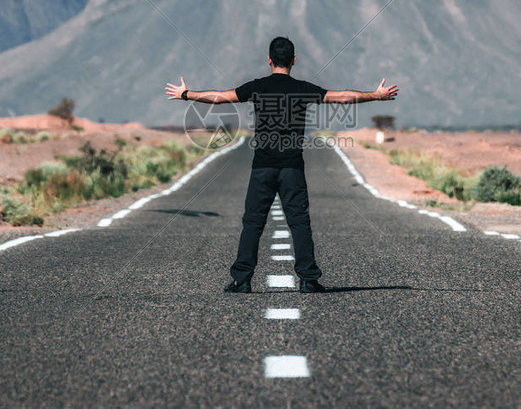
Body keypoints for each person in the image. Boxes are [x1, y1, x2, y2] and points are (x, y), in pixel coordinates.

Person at [166, 36, 398, 293]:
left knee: (253, 222)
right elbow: (342, 97)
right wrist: (376, 95)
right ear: (294, 61)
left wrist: (186, 94)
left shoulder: (258, 86)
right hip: (292, 168)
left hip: (262, 167)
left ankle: (241, 281)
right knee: (299, 222)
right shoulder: (302, 88)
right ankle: (309, 280)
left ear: (269, 60)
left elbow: (219, 98)